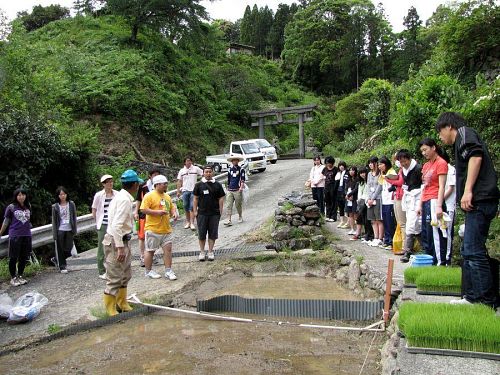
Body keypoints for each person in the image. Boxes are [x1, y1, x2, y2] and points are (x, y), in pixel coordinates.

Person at [436, 112, 499, 307]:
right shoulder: (460, 141)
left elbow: (476, 157)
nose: (440, 137)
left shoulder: (464, 133)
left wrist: (468, 190)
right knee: (468, 249)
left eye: (440, 132)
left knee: (473, 250)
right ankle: (471, 297)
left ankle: (486, 300)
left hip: (481, 199)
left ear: (449, 126)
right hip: (478, 201)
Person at [102, 169, 143, 316]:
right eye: (137, 183)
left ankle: (122, 302)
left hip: (123, 239)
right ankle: (110, 309)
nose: (138, 186)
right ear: (134, 185)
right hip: (115, 241)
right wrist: (120, 248)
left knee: (125, 273)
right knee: (114, 275)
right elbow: (116, 226)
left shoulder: (121, 197)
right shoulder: (124, 200)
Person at [140, 174, 179, 280]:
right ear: (157, 184)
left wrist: (174, 213)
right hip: (153, 229)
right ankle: (148, 271)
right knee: (150, 250)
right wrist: (157, 212)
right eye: (164, 184)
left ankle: (168, 270)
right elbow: (143, 209)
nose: (166, 185)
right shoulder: (149, 196)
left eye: (166, 183)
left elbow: (171, 208)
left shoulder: (167, 196)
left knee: (168, 250)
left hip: (166, 228)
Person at [417, 138, 448, 266]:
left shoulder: (441, 163)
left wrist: (439, 206)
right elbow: (424, 186)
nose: (424, 153)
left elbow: (442, 186)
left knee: (436, 233)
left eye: (425, 149)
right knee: (427, 233)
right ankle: (429, 260)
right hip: (426, 200)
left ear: (433, 147)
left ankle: (439, 262)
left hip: (435, 200)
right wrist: (420, 204)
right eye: (422, 151)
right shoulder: (426, 165)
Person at [0, 188, 32, 286]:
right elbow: (6, 221)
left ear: (25, 196)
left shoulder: (28, 206)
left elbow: (28, 220)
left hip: (26, 234)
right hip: (15, 235)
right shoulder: (11, 207)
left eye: (23, 195)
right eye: (19, 195)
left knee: (24, 257)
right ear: (16, 196)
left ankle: (20, 276)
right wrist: (0, 232)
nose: (21, 197)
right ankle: (13, 277)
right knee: (13, 257)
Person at [193, 165, 225, 261]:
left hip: (214, 213)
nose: (208, 173)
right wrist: (195, 211)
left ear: (213, 172)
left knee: (213, 233)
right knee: (201, 234)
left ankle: (210, 251)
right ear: (203, 173)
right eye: (206, 172)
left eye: (210, 171)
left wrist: (220, 210)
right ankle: (202, 252)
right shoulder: (198, 185)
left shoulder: (218, 185)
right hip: (202, 213)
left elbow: (221, 198)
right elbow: (195, 198)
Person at [397, 150, 423, 263]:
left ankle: (407, 251)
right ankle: (425, 248)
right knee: (415, 226)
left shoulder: (418, 168)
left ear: (409, 159)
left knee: (411, 225)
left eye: (405, 161)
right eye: (401, 162)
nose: (403, 164)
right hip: (408, 197)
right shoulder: (403, 170)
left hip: (417, 197)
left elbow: (423, 185)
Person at [92, 174, 118, 279]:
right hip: (103, 223)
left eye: (111, 181)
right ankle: (101, 270)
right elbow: (94, 209)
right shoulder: (99, 195)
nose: (110, 184)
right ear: (103, 184)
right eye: (107, 182)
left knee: (115, 245)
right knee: (102, 247)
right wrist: (97, 220)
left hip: (114, 223)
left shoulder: (117, 194)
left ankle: (113, 268)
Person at [135, 167, 161, 267]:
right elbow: (138, 199)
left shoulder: (160, 186)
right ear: (150, 176)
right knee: (142, 237)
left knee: (153, 236)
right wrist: (136, 212)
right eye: (154, 175)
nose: (156, 177)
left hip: (155, 214)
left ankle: (151, 255)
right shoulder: (143, 186)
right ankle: (142, 257)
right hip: (144, 215)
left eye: (158, 175)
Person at [51, 186, 77, 274]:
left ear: (66, 195)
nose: (62, 196)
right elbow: (54, 221)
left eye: (64, 194)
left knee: (68, 248)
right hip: (60, 229)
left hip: (69, 228)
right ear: (58, 196)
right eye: (60, 194)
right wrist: (54, 233)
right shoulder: (55, 206)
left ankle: (56, 258)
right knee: (60, 248)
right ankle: (62, 266)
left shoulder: (71, 204)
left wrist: (75, 229)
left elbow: (74, 217)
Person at [176, 157, 203, 230]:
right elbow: (179, 181)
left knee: (192, 207)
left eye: (190, 161)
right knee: (185, 206)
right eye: (187, 161)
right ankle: (188, 222)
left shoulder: (195, 168)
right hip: (185, 190)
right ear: (184, 162)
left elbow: (203, 174)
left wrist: (200, 184)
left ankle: (192, 223)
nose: (189, 162)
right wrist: (178, 191)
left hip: (194, 191)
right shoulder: (182, 171)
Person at [378, 157, 397, 250]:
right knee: (385, 220)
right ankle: (387, 239)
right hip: (384, 201)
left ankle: (391, 241)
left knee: (390, 221)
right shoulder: (383, 174)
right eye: (379, 164)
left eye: (381, 164)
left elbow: (395, 184)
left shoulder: (392, 172)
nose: (379, 166)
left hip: (391, 201)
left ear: (386, 164)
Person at [442, 150, 456, 265]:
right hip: (440, 204)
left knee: (448, 231)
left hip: (448, 205)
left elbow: (450, 188)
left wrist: (440, 199)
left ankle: (447, 258)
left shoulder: (450, 169)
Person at [366, 156, 384, 247]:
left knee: (379, 219)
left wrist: (373, 198)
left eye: (371, 163)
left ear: (376, 163)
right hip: (370, 199)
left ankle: (380, 238)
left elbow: (379, 187)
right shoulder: (369, 174)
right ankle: (375, 237)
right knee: (372, 220)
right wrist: (369, 198)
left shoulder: (380, 173)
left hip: (378, 198)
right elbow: (368, 186)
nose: (370, 165)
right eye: (369, 163)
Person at [224, 155, 246, 226]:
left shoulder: (241, 169)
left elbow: (242, 179)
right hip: (230, 189)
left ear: (238, 161)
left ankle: (240, 216)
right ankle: (229, 220)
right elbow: (229, 179)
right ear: (232, 161)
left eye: (236, 160)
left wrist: (241, 187)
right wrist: (227, 187)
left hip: (237, 189)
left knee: (238, 205)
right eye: (233, 160)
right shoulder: (230, 169)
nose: (235, 161)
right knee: (228, 205)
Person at [322, 156, 338, 222]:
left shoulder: (336, 169)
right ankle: (328, 215)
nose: (328, 164)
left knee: (333, 202)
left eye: (329, 163)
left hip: (333, 187)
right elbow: (323, 176)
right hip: (326, 187)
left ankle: (333, 216)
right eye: (327, 163)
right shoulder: (325, 169)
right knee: (327, 201)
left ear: (332, 163)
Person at [344, 166, 359, 235]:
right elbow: (345, 189)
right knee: (350, 215)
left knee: (355, 214)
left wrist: (349, 195)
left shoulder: (357, 179)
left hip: (354, 199)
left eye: (353, 170)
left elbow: (356, 189)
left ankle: (357, 230)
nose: (351, 172)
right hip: (348, 199)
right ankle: (352, 229)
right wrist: (347, 195)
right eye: (350, 170)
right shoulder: (348, 180)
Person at [335, 161, 349, 228]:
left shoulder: (347, 173)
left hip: (344, 192)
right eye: (340, 165)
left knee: (346, 207)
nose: (341, 167)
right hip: (338, 191)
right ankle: (341, 221)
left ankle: (347, 222)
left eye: (342, 165)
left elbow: (347, 183)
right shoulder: (338, 173)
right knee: (340, 207)